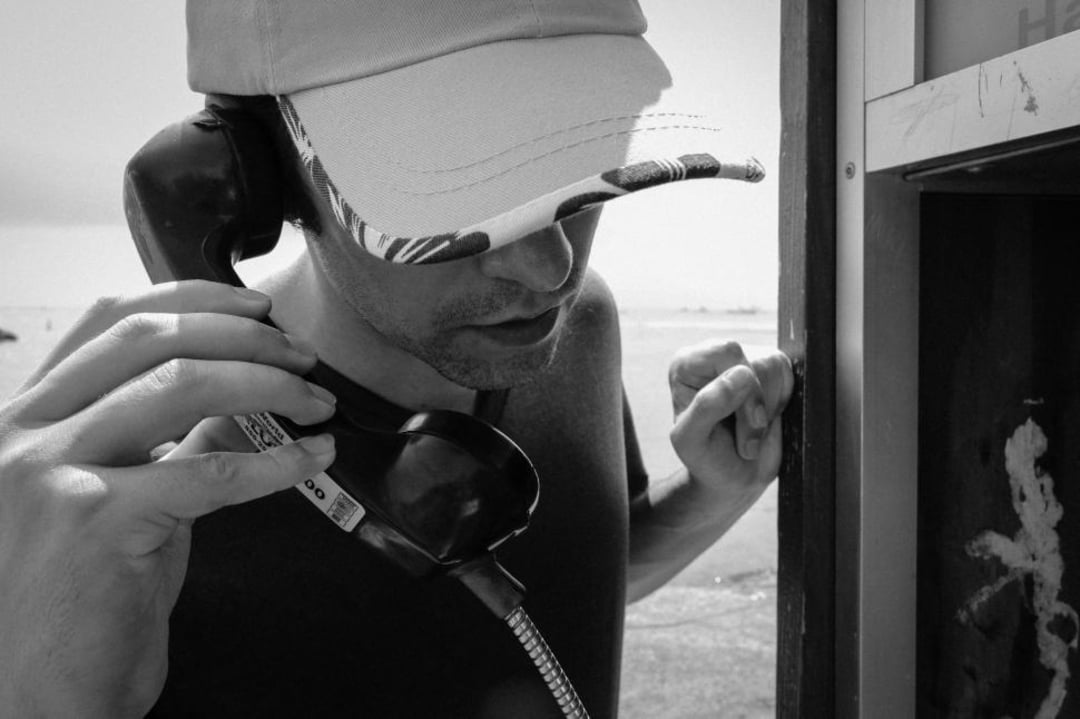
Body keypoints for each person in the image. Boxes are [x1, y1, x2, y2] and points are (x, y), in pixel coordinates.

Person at [0, 1, 793, 717]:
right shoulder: (129, 508)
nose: (551, 270)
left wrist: (713, 495)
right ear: (261, 175)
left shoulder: (580, 328)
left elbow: (555, 598)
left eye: (582, 175)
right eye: (459, 198)